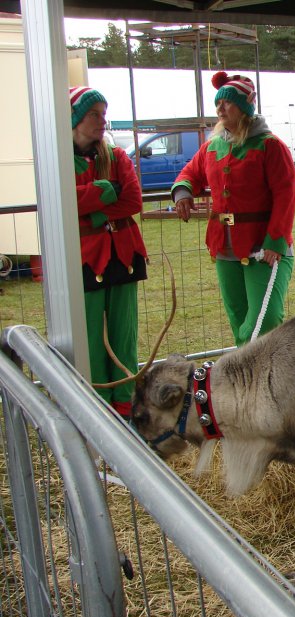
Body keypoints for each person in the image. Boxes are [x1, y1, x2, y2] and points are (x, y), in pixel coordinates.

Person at [171, 71, 295, 347]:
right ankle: (247, 380)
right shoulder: (212, 147)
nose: (220, 108)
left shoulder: (270, 146)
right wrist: (183, 192)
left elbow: (285, 195)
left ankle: (260, 373)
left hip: (264, 246)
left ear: (245, 107)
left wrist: (275, 242)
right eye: (218, 103)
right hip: (224, 245)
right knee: (238, 316)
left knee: (264, 320)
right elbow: (190, 173)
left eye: (227, 102)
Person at [70, 86, 147, 419]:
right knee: (89, 338)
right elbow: (62, 201)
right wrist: (102, 191)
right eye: (93, 114)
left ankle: (126, 405)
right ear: (74, 119)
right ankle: (97, 409)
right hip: (85, 258)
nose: (102, 121)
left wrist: (94, 210)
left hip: (123, 254)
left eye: (103, 113)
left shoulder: (115, 157)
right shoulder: (60, 161)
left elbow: (133, 201)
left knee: (123, 334)